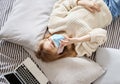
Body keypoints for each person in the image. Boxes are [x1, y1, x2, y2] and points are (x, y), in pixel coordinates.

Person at [36, 0, 119, 62]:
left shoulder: (54, 25)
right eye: (53, 44)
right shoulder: (78, 49)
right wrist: (77, 40)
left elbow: (64, 3)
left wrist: (82, 2)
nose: (52, 39)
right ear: (59, 52)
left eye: (49, 39)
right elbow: (102, 35)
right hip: (109, 10)